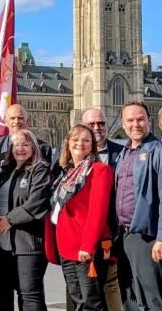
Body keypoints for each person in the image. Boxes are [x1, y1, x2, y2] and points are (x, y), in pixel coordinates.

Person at [113, 102, 162, 311]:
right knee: (131, 298)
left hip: (149, 237)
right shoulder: (124, 153)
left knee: (154, 299)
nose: (136, 124)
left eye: (140, 119)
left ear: (149, 121)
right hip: (124, 235)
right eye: (130, 120)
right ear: (123, 124)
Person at [45, 124, 114, 311]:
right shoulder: (66, 173)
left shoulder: (100, 170)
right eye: (75, 139)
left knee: (92, 302)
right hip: (66, 246)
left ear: (93, 144)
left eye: (86, 140)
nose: (80, 143)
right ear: (68, 143)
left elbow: (97, 211)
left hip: (86, 248)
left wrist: (88, 246)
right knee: (77, 300)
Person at [0, 129, 52, 311]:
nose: (20, 149)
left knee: (29, 297)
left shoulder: (40, 169)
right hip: (4, 243)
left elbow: (37, 202)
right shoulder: (6, 170)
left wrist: (9, 220)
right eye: (16, 145)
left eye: (25, 144)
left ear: (34, 148)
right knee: (2, 294)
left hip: (28, 243)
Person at [80, 107, 123, 311]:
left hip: (111, 230)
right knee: (81, 288)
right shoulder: (70, 157)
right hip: (80, 233)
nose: (97, 127)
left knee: (111, 284)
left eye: (101, 123)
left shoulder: (121, 152)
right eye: (91, 124)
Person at [0, 104, 53, 173]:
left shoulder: (43, 148)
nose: (16, 121)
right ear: (5, 122)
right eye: (12, 118)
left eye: (20, 118)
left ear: (27, 122)